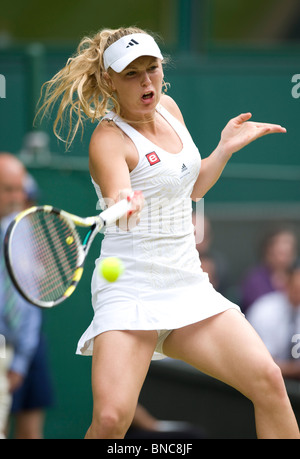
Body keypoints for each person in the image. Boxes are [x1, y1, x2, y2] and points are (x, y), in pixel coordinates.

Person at [37, 27, 300, 439]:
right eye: (132, 74)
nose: (146, 82)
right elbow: (120, 200)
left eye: (152, 69)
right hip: (129, 286)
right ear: (110, 81)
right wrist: (125, 203)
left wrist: (224, 148)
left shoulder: (170, 108)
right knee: (110, 421)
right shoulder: (108, 140)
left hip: (186, 282)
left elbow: (192, 188)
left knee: (269, 380)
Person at [0, 153, 41, 438]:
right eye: (8, 189)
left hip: (24, 344)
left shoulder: (23, 227)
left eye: (20, 189)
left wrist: (21, 360)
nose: (17, 197)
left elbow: (30, 297)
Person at [247, 264, 300, 380]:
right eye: (296, 288)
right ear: (287, 284)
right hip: (264, 378)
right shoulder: (264, 310)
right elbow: (258, 360)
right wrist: (294, 370)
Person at [241, 227, 298, 313]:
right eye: (280, 252)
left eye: (289, 250)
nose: (284, 254)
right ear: (268, 251)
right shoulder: (254, 280)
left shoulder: (297, 277)